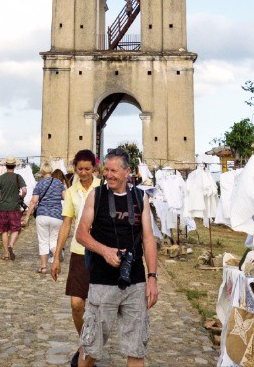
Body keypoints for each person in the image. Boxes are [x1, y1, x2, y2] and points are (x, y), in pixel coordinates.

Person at [75, 147, 159, 367]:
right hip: (103, 282)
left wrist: (152, 277)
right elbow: (81, 233)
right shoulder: (98, 195)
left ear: (127, 171)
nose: (108, 175)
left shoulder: (141, 198)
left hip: (135, 281)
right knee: (91, 347)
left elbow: (149, 239)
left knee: (136, 348)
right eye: (106, 170)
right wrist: (104, 251)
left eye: (113, 171)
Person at [51, 149, 100, 367]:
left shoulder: (104, 189)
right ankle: (86, 343)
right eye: (79, 169)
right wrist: (56, 256)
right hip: (80, 253)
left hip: (102, 253)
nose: (83, 173)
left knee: (100, 307)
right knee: (77, 303)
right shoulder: (71, 192)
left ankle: (88, 349)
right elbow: (66, 223)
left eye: (87, 169)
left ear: (94, 168)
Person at [23, 164, 66, 273]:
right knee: (53, 241)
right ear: (51, 171)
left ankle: (43, 267)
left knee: (43, 241)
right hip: (57, 216)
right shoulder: (59, 183)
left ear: (42, 172)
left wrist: (27, 216)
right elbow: (66, 198)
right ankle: (56, 257)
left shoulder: (40, 184)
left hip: (42, 215)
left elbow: (34, 201)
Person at [0, 156, 26, 261]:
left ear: (6, 166)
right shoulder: (18, 177)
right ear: (15, 166)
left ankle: (6, 254)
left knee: (4, 231)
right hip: (14, 207)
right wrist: (21, 197)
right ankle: (11, 244)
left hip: (2, 208)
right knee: (16, 228)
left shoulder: (1, 178)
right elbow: (24, 190)